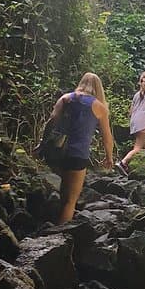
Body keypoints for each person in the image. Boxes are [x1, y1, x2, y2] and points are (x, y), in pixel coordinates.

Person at [46, 72, 114, 224]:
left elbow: (51, 121)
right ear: (98, 88)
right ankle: (59, 236)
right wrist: (109, 157)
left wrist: (43, 143)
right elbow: (107, 136)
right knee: (70, 201)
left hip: (57, 151)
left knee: (64, 190)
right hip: (78, 154)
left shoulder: (65, 98)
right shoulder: (99, 106)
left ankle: (53, 221)